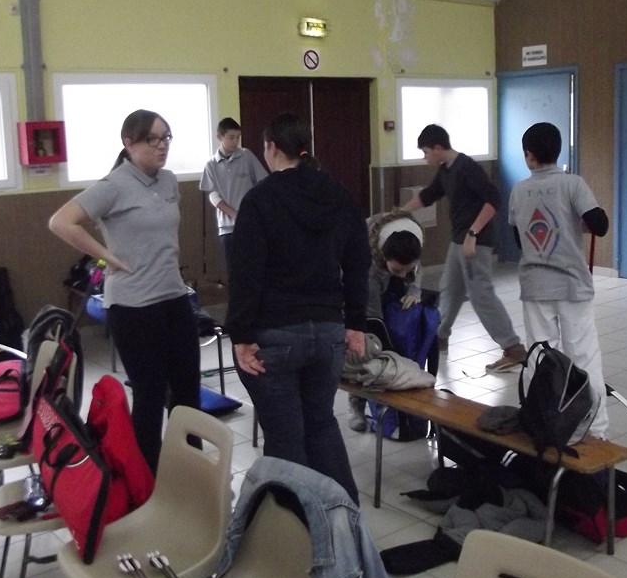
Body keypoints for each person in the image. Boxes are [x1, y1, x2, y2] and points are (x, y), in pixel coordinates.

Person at [225, 112, 369, 504]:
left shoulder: (260, 200)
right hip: (328, 332)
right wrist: (355, 323)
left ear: (271, 147)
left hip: (276, 334)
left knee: (285, 437)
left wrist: (240, 336)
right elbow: (359, 263)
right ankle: (344, 520)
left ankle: (298, 527)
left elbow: (245, 274)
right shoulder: (340, 196)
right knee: (322, 424)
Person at [49, 109, 200, 472]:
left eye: (166, 138)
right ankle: (146, 477)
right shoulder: (114, 185)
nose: (162, 146)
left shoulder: (169, 181)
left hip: (174, 297)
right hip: (133, 306)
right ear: (129, 144)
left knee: (187, 392)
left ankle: (190, 471)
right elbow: (61, 221)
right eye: (152, 139)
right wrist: (106, 256)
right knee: (149, 395)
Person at [508, 122, 609, 437]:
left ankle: (540, 425)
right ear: (558, 151)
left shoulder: (519, 190)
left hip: (535, 287)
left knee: (539, 358)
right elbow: (600, 225)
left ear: (528, 155)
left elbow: (519, 238)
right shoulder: (573, 184)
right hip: (572, 286)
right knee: (584, 357)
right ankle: (596, 430)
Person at [403, 124, 526, 371]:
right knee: (450, 289)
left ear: (438, 148)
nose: (425, 157)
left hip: (475, 242)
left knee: (481, 295)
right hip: (459, 240)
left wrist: (473, 233)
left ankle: (513, 348)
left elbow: (493, 200)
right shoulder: (446, 170)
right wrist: (399, 213)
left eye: (426, 152)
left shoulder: (467, 167)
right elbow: (428, 195)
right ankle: (439, 337)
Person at [347, 209, 426, 432]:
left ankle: (393, 407)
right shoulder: (368, 260)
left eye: (407, 270)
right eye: (397, 270)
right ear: (384, 257)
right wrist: (390, 353)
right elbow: (373, 319)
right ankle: (356, 403)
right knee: (364, 342)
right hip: (352, 284)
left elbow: (417, 266)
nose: (401, 276)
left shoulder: (412, 239)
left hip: (382, 273)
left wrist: (414, 288)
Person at [199, 117, 267, 279]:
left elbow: (262, 182)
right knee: (234, 272)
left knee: (256, 269)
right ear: (220, 137)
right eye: (231, 137)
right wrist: (234, 214)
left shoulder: (246, 156)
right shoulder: (211, 164)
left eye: (238, 137)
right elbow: (213, 195)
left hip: (250, 224)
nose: (235, 141)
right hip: (227, 227)